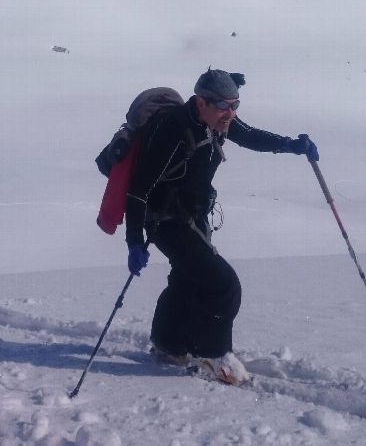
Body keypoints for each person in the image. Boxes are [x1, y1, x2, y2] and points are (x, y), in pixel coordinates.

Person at [125, 67, 319, 385]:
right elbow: (138, 190)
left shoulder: (218, 122)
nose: (231, 113)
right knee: (222, 285)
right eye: (224, 105)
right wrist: (134, 241)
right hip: (165, 219)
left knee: (187, 280)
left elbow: (250, 136)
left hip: (193, 216)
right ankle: (214, 357)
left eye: (236, 105)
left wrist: (290, 145)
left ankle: (168, 345)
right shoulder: (173, 130)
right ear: (201, 102)